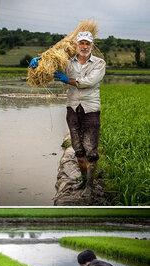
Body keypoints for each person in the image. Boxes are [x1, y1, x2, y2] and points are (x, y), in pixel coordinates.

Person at [29, 31, 105, 196]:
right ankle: (84, 182)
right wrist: (37, 63)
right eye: (81, 43)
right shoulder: (67, 62)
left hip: (90, 109)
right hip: (72, 108)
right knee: (78, 149)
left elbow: (88, 82)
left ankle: (90, 186)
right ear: (76, 45)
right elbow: (47, 70)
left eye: (87, 44)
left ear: (92, 46)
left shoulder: (99, 63)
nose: (84, 47)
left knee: (90, 149)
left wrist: (67, 80)